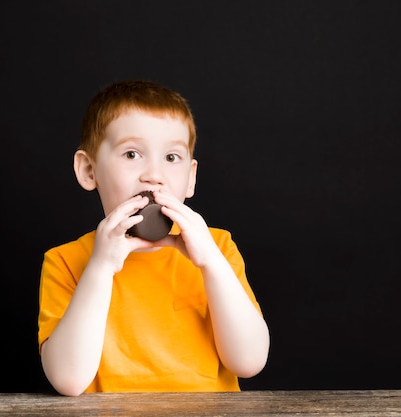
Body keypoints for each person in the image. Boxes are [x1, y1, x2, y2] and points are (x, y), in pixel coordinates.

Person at [37, 79, 270, 396]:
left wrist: (212, 265)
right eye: (132, 154)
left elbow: (249, 361)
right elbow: (68, 380)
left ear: (191, 178)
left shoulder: (217, 249)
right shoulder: (65, 262)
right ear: (89, 171)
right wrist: (100, 269)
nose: (154, 175)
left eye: (172, 158)